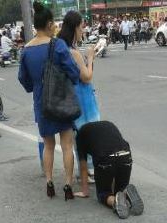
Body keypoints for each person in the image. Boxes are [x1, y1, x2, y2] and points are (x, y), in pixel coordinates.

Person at [18, 1, 81, 200]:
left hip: (41, 103)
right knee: (67, 145)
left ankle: (49, 182)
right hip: (61, 100)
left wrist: (35, 88)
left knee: (48, 145)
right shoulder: (58, 45)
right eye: (53, 23)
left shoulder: (26, 50)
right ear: (48, 24)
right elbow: (74, 72)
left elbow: (23, 79)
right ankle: (68, 186)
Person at [58, 11, 99, 179]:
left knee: (79, 136)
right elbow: (86, 77)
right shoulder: (73, 52)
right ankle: (89, 171)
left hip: (72, 97)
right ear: (75, 27)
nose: (83, 31)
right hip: (83, 98)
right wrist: (90, 58)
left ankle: (83, 170)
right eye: (82, 27)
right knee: (89, 133)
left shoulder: (61, 47)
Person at [75, 121, 144, 220]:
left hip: (106, 159)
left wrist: (85, 191)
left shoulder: (80, 136)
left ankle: (115, 201)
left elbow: (83, 166)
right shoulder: (108, 124)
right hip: (126, 155)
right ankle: (125, 193)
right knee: (119, 190)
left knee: (103, 193)